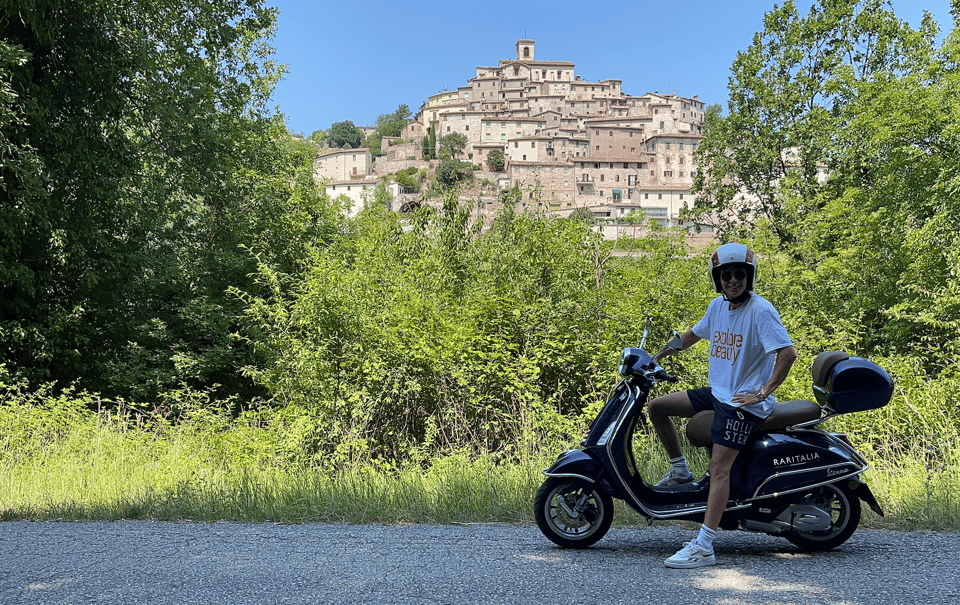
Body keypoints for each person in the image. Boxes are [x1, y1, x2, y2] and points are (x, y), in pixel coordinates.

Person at [648, 242, 797, 569]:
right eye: (726, 275)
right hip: (719, 392)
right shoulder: (718, 307)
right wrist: (655, 357)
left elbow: (787, 353)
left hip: (742, 402)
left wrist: (762, 393)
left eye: (739, 274)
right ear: (718, 279)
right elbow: (689, 336)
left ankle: (704, 545)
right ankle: (679, 471)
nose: (733, 280)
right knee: (658, 407)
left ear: (749, 276)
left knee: (719, 468)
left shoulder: (761, 311)